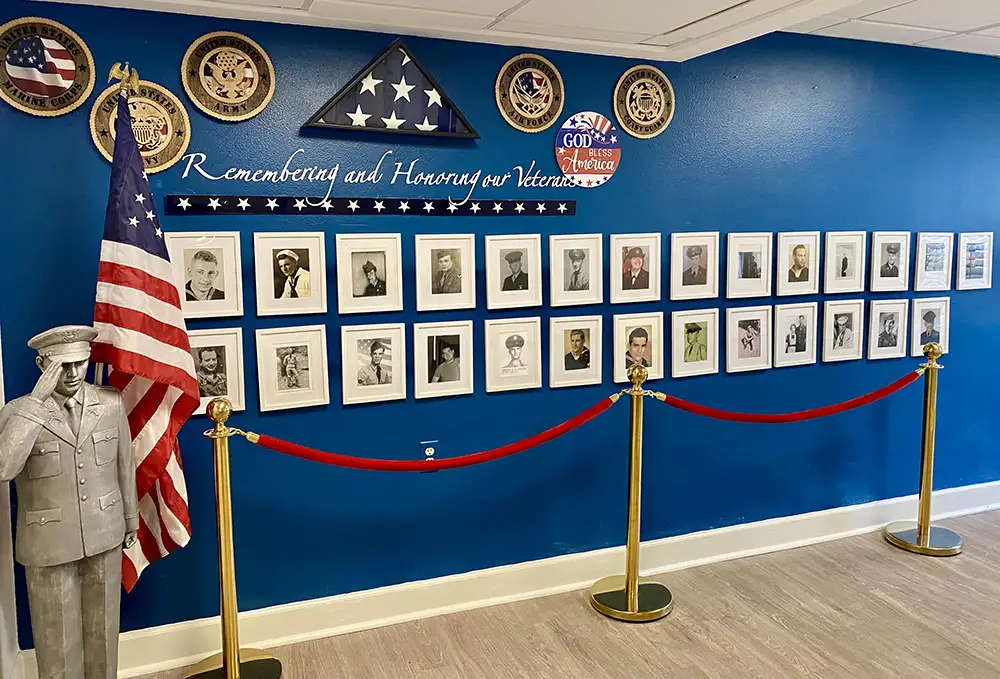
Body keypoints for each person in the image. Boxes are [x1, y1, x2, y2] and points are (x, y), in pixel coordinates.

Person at [0, 325, 139, 679]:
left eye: (79, 363)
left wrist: (130, 518)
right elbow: (4, 466)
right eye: (62, 366)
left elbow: (124, 463)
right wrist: (36, 401)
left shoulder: (109, 403)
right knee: (57, 646)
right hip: (49, 543)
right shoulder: (20, 413)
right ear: (42, 365)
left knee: (104, 634)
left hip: (105, 531)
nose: (74, 373)